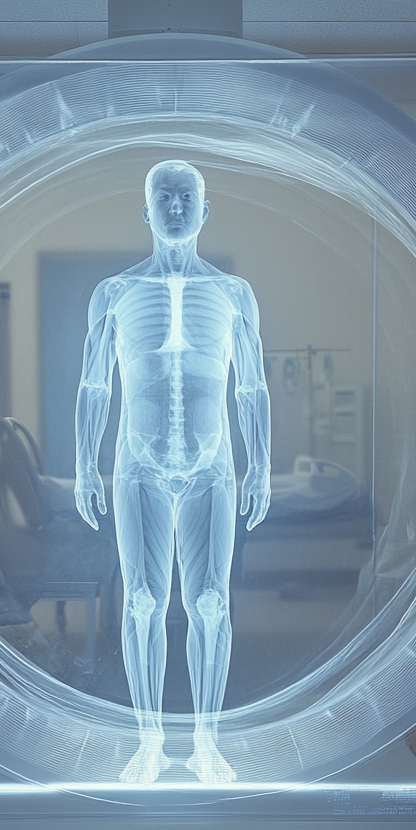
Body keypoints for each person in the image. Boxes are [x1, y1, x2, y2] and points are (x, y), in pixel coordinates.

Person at [75, 160, 271, 784]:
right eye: (164, 197)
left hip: (214, 465)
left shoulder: (236, 294)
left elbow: (253, 390)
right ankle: (149, 744)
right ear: (146, 210)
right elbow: (92, 386)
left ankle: (209, 745)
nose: (178, 208)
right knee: (141, 602)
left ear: (206, 210)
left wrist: (262, 463)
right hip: (137, 464)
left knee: (212, 602)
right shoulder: (112, 293)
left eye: (188, 198)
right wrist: (83, 464)